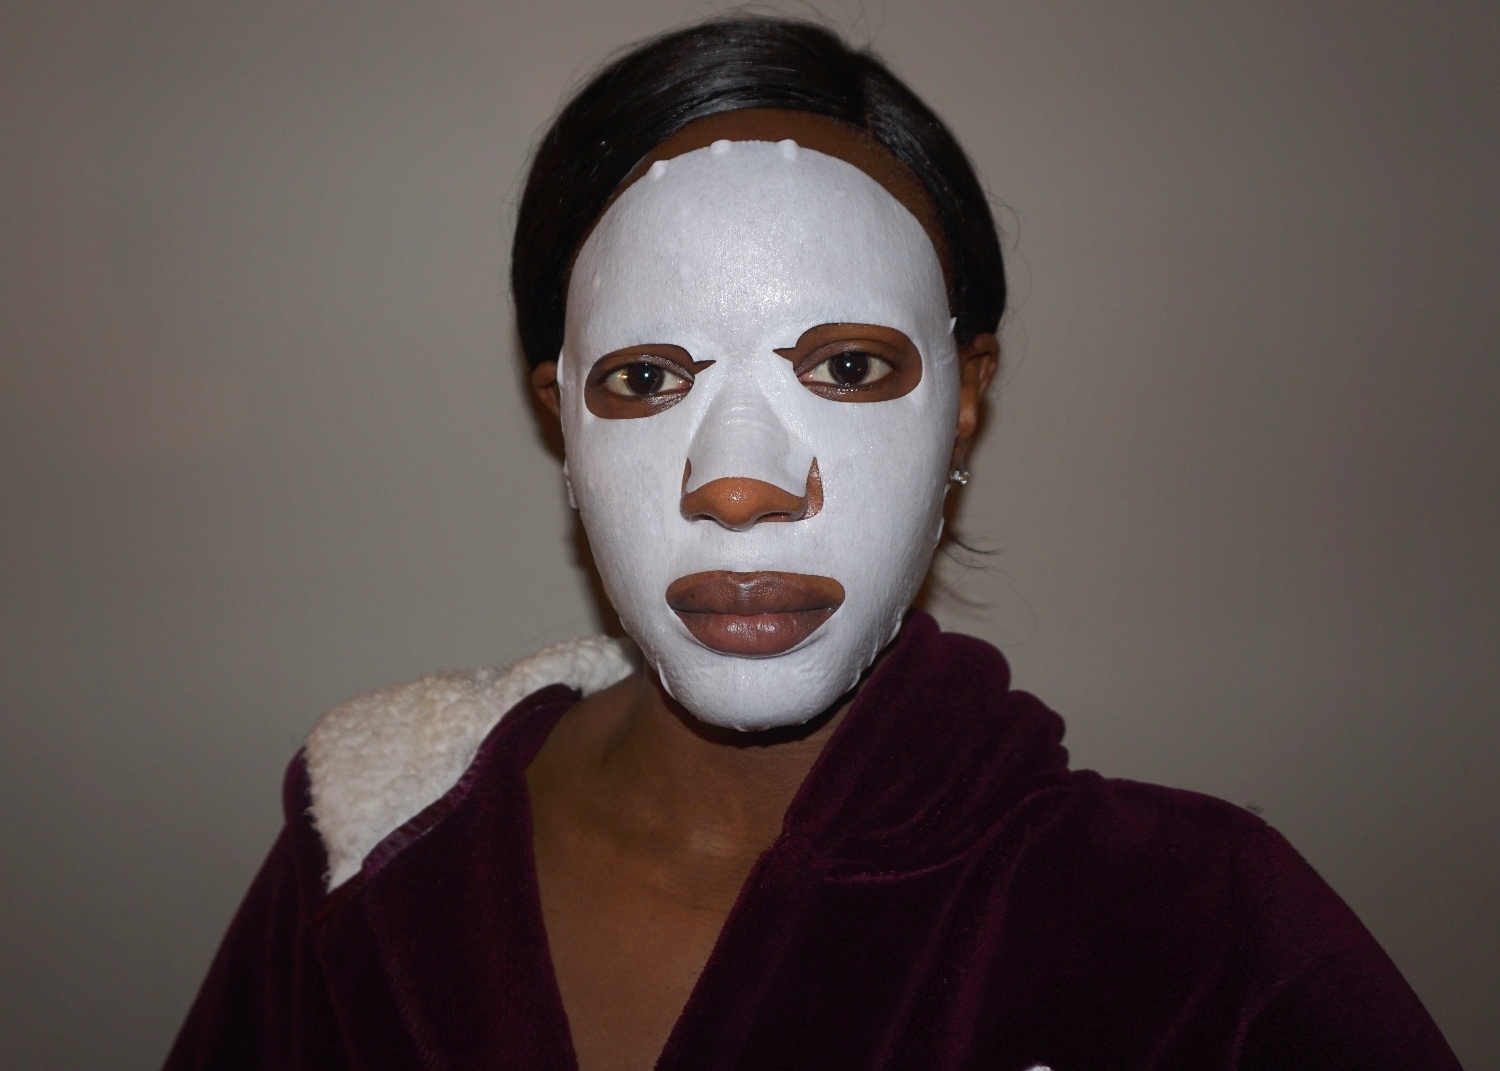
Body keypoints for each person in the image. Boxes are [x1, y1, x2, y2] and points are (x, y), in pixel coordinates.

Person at [165, 17, 1460, 1071]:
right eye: (646, 377)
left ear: (965, 396)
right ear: (561, 414)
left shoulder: (1196, 935)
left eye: (847, 366)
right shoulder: (371, 841)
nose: (741, 488)